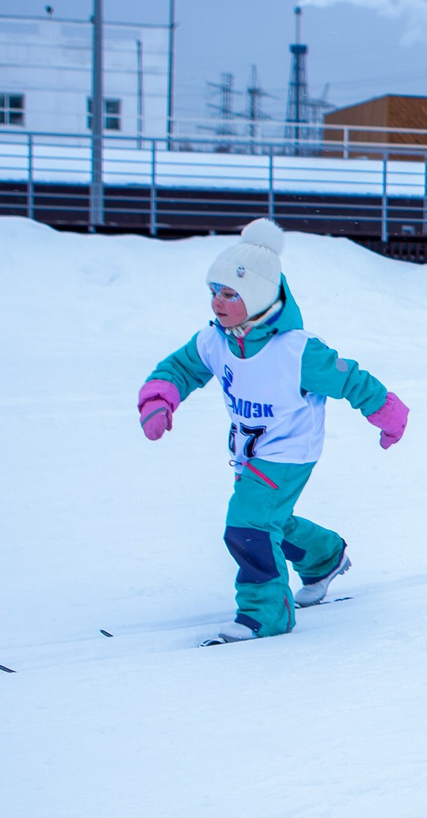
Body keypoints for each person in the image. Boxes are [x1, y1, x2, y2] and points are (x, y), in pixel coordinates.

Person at [134, 219, 410, 644]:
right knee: (270, 520)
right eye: (214, 292)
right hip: (250, 451)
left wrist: (388, 414)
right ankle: (324, 558)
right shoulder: (216, 341)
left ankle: (265, 614)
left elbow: (352, 380)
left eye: (229, 293)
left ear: (259, 295)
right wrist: (159, 399)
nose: (217, 303)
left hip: (290, 451)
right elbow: (180, 367)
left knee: (247, 524)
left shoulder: (297, 350)